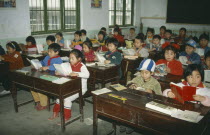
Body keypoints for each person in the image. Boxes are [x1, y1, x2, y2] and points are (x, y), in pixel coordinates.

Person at [121, 59, 162, 134]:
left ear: (152, 73)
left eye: (146, 72)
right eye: (142, 72)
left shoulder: (155, 83)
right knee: (126, 105)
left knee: (136, 111)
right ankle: (126, 122)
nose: (143, 74)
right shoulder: (138, 78)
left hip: (147, 102)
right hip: (136, 99)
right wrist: (131, 85)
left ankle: (132, 125)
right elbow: (129, 82)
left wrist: (152, 92)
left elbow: (160, 96)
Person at [49, 49, 89, 121]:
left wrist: (77, 74)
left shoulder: (81, 66)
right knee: (59, 97)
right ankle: (55, 112)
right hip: (71, 87)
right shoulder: (70, 64)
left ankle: (66, 116)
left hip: (80, 89)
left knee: (67, 99)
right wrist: (60, 72)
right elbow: (67, 73)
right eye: (69, 58)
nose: (70, 60)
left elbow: (87, 75)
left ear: (79, 59)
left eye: (72, 58)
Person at [31, 43, 63, 111]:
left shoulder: (58, 59)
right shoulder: (47, 57)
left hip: (53, 77)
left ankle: (44, 104)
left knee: (40, 87)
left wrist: (47, 67)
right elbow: (42, 62)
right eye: (48, 51)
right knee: (32, 86)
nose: (48, 53)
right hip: (44, 75)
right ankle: (38, 100)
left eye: (50, 52)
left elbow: (57, 67)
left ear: (57, 52)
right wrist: (35, 64)